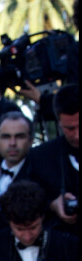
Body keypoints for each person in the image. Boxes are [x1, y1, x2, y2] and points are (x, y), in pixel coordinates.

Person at [27, 83, 79, 234]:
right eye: (69, 129)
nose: (77, 135)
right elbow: (28, 202)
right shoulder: (40, 157)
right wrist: (53, 205)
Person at [0, 111, 34, 195]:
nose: (12, 143)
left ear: (30, 141)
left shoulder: (39, 176)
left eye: (19, 137)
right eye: (6, 137)